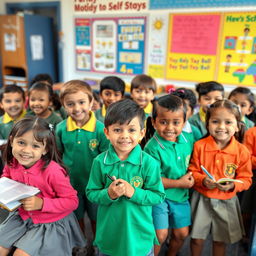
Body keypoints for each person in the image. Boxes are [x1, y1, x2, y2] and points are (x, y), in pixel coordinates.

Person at [86, 99, 165, 256]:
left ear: (142, 133)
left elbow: (158, 196)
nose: (124, 136)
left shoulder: (149, 163)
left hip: (139, 236)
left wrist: (132, 192)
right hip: (110, 236)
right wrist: (108, 194)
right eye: (117, 130)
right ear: (107, 133)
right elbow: (91, 193)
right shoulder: (100, 161)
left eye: (131, 130)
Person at [0, 116, 85, 256]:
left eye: (35, 146)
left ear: (45, 149)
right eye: (21, 142)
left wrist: (42, 203)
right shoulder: (12, 161)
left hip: (48, 221)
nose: (26, 150)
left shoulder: (54, 172)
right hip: (22, 215)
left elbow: (72, 201)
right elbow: (6, 176)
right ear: (11, 141)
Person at [188, 99, 252, 256]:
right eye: (215, 121)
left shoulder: (242, 151)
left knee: (220, 240)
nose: (221, 127)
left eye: (228, 122)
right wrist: (202, 180)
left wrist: (232, 186)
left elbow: (246, 178)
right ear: (207, 123)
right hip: (201, 198)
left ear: (237, 126)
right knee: (196, 239)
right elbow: (192, 171)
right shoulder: (199, 146)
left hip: (227, 200)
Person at [56, 80, 109, 253]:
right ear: (63, 105)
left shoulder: (101, 129)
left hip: (95, 186)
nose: (77, 108)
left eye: (81, 102)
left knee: (96, 219)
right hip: (71, 186)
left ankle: (97, 244)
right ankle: (80, 245)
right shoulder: (60, 128)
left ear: (91, 102)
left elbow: (106, 159)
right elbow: (57, 155)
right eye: (70, 104)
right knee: (76, 219)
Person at [144, 95, 194, 256]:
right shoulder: (152, 147)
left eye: (176, 122)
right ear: (154, 122)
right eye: (163, 122)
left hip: (181, 197)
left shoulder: (188, 140)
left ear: (184, 122)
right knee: (160, 235)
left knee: (182, 234)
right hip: (159, 197)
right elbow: (152, 180)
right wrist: (180, 183)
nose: (169, 127)